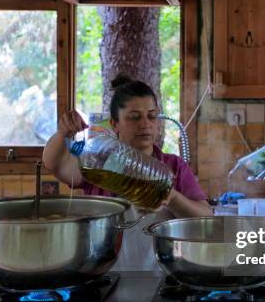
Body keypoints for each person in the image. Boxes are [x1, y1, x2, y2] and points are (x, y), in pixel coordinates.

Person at [43, 73, 212, 270]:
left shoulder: (173, 166)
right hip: (106, 277)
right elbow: (53, 163)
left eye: (152, 116)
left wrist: (172, 197)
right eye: (134, 117)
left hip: (164, 279)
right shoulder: (97, 162)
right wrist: (64, 132)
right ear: (115, 124)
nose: (145, 124)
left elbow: (206, 220)